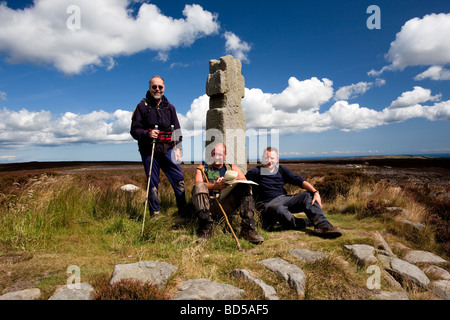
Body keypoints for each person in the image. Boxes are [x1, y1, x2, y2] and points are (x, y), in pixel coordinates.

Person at [245, 147, 342, 238]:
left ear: (277, 159)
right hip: (268, 205)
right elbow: (243, 183)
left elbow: (298, 180)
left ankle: (323, 225)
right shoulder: (255, 172)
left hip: (284, 199)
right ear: (262, 158)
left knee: (307, 195)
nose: (269, 161)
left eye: (272, 158)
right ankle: (304, 223)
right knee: (279, 209)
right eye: (266, 158)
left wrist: (316, 192)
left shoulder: (282, 170)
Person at [130, 75, 187, 216]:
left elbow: (177, 131)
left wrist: (178, 148)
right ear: (149, 88)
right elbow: (134, 130)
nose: (157, 89)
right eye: (154, 87)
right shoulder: (141, 107)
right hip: (149, 151)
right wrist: (147, 134)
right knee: (152, 184)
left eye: (160, 87)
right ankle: (154, 214)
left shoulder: (170, 108)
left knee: (179, 180)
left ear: (164, 88)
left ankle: (183, 212)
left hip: (168, 150)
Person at [191, 142, 264, 244]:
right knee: (199, 187)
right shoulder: (202, 168)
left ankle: (248, 229)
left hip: (226, 204)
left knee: (245, 187)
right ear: (211, 154)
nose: (217, 157)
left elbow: (243, 180)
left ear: (225, 155)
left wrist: (228, 182)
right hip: (208, 205)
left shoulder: (232, 168)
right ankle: (205, 230)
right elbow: (197, 183)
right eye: (214, 154)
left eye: (220, 154)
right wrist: (215, 186)